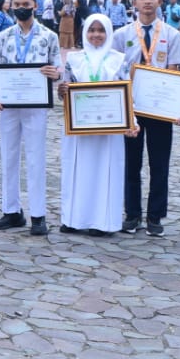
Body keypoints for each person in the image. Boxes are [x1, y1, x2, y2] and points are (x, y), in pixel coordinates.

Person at [114, 0, 180, 237]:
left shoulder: (172, 34)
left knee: (159, 164)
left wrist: (176, 107)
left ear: (160, 1)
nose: (147, 1)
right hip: (131, 109)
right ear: (133, 2)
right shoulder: (121, 35)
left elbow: (176, 72)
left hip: (159, 110)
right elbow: (115, 72)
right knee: (131, 164)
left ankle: (155, 216)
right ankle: (132, 214)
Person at [0, 0, 62, 236]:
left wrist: (56, 74)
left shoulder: (49, 36)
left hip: (35, 106)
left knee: (35, 158)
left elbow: (59, 70)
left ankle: (38, 215)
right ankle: (11, 211)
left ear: (35, 5)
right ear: (11, 5)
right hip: (8, 106)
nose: (21, 9)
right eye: (17, 4)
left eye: (26, 4)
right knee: (7, 156)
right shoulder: (3, 36)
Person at [58, 14, 134, 236]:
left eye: (101, 30)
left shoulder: (119, 59)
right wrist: (62, 91)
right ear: (84, 32)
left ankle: (101, 222)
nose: (96, 35)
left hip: (108, 129)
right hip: (78, 127)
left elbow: (127, 93)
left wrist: (132, 121)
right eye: (92, 30)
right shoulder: (74, 59)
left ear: (109, 33)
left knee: (104, 171)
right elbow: (66, 90)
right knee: (76, 170)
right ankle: (73, 219)